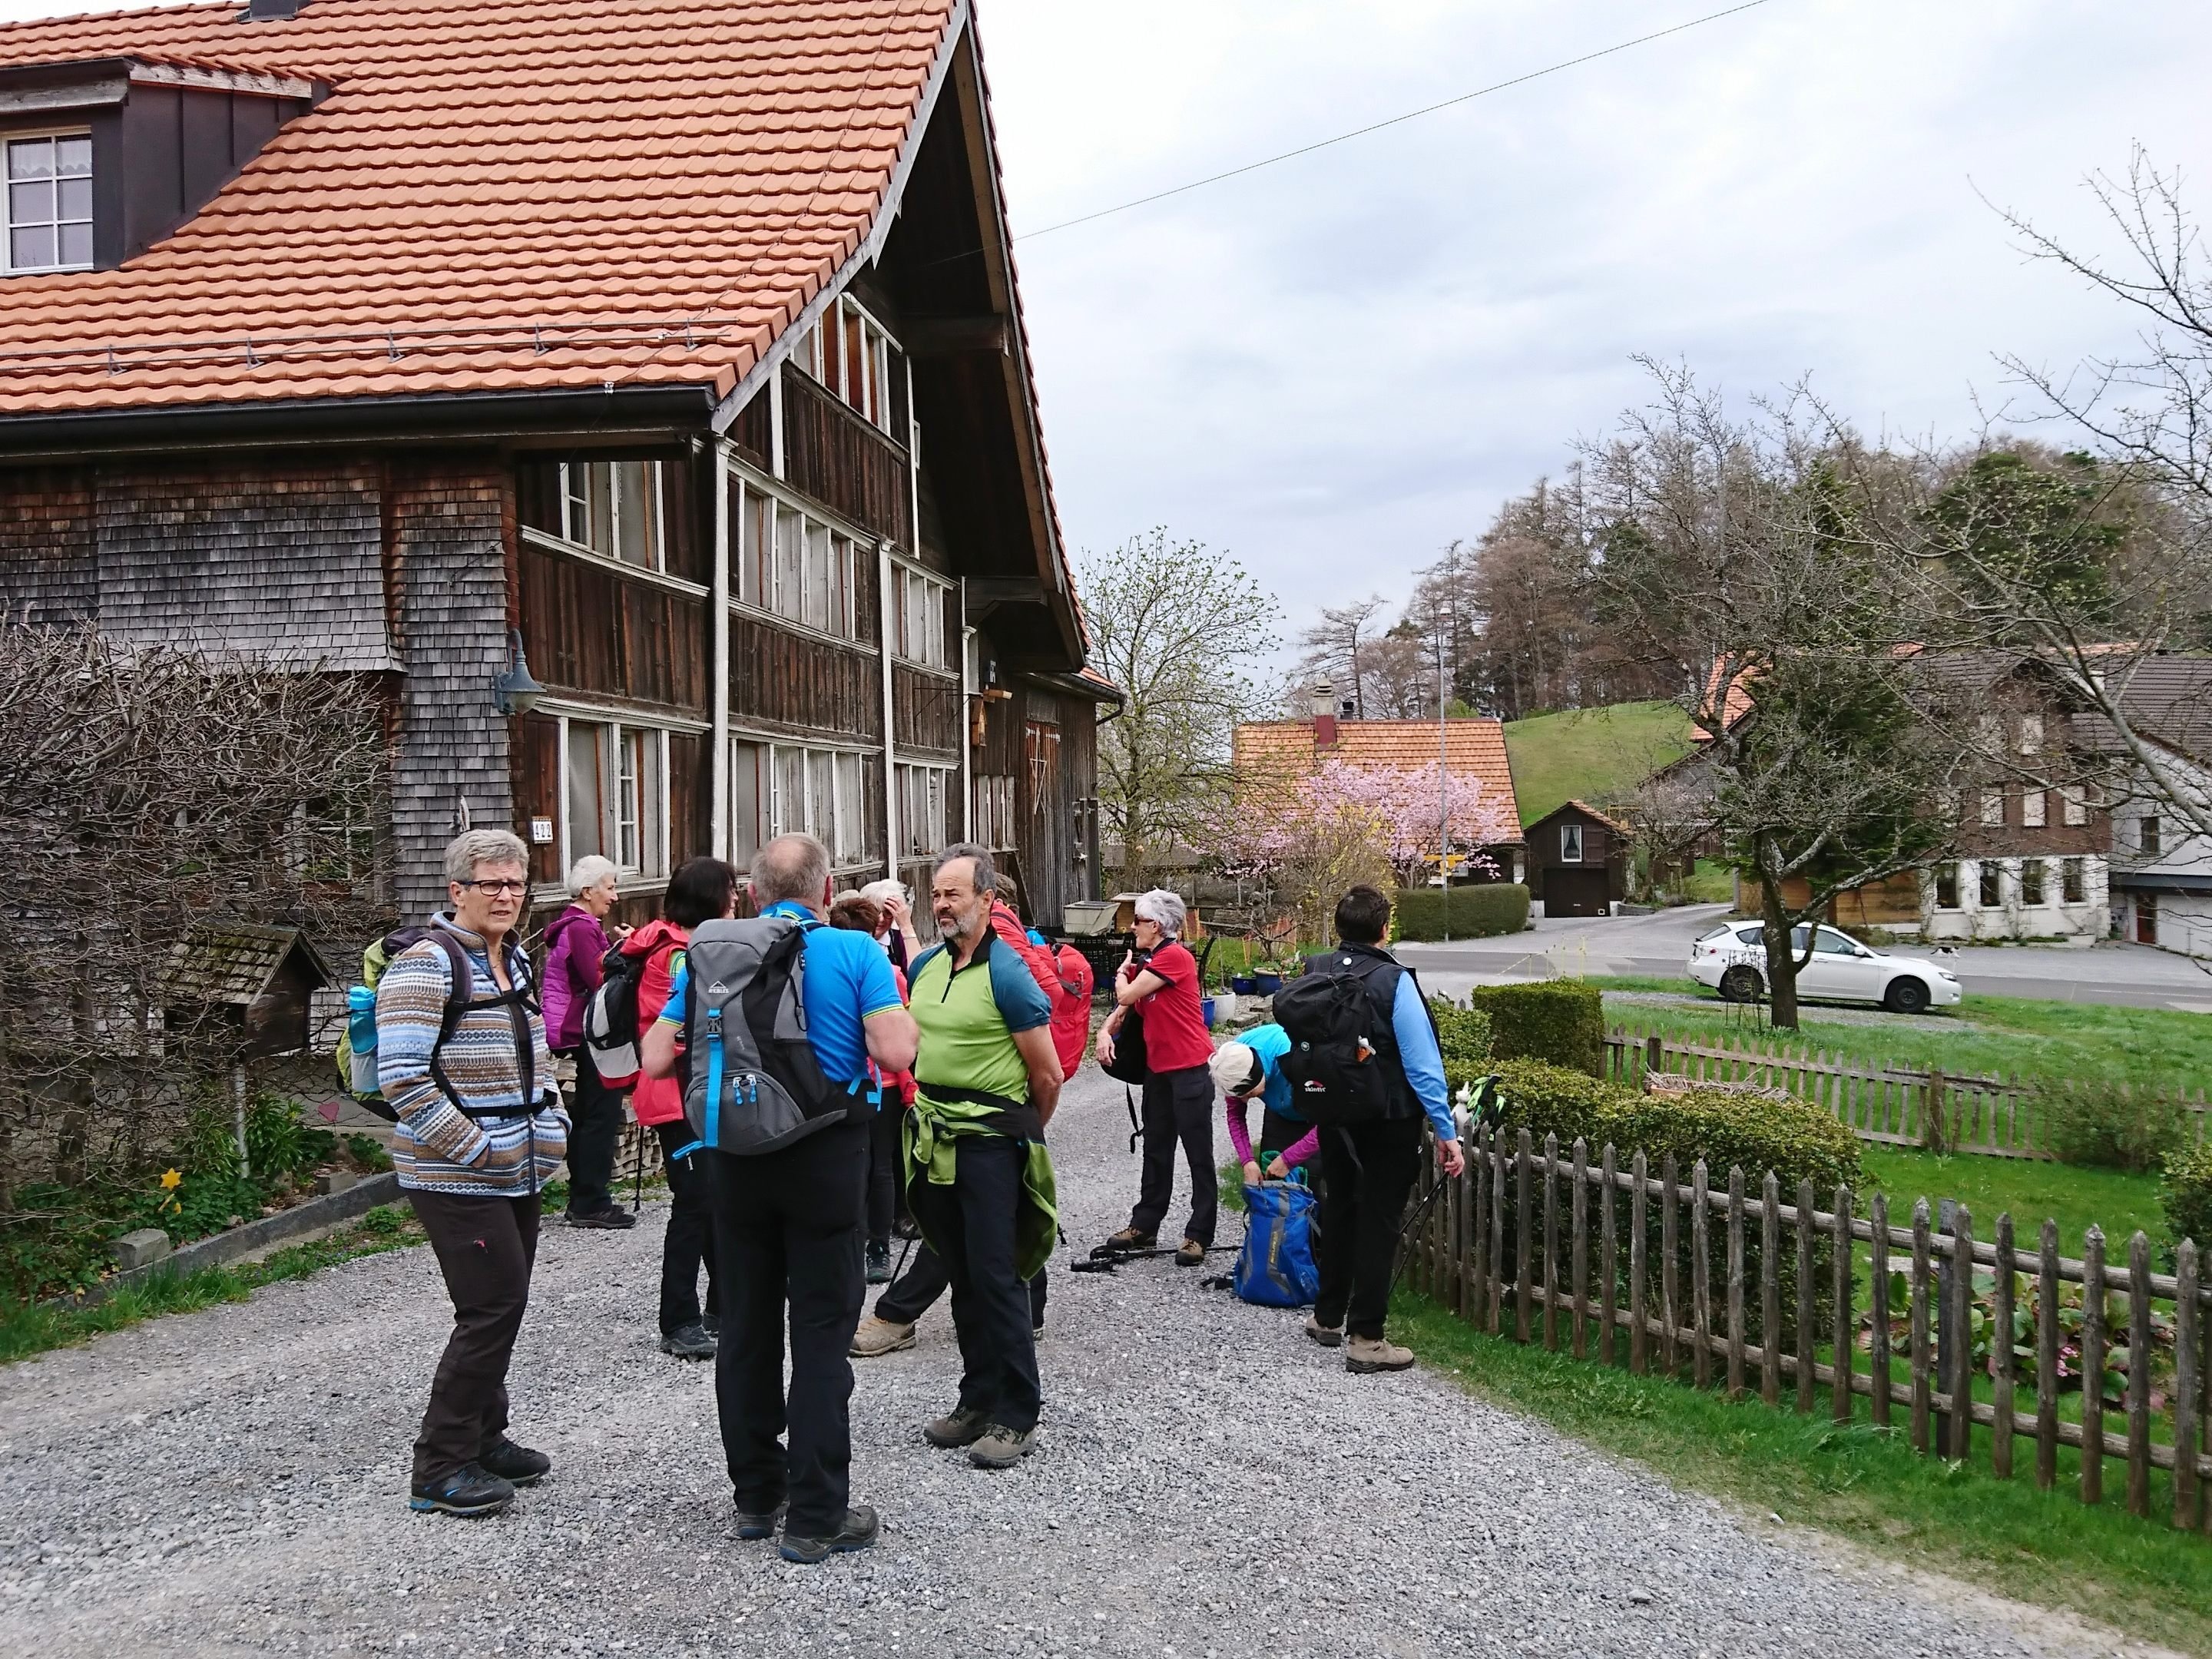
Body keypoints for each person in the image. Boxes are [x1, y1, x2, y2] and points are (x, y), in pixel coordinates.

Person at [641, 834, 917, 1564]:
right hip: (824, 1156)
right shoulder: (854, 951)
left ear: (755, 895)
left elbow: (656, 1054)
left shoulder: (708, 954)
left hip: (732, 1159)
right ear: (826, 891)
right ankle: (819, 1513)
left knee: (746, 1328)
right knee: (822, 1331)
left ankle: (757, 1498)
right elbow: (894, 1053)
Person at [378, 829, 568, 1518]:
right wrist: (479, 1150)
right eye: (491, 884)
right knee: (490, 1309)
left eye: (516, 884)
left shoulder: (512, 960)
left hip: (517, 1170)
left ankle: (486, 1439)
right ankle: (440, 1465)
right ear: (456, 891)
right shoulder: (426, 966)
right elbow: (404, 1078)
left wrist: (553, 1130)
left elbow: (536, 1056)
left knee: (501, 1304)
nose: (507, 895)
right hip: (455, 1176)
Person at [904, 843, 1062, 1469]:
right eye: (937, 894)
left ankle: (1017, 1414)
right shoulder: (925, 969)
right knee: (962, 1271)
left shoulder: (1009, 974)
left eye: (954, 893)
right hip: (936, 1135)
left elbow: (1047, 1075)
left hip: (993, 1141)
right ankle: (976, 1400)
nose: (942, 904)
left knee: (998, 1276)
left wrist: (1018, 1132)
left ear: (988, 901)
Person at [1300, 884, 1465, 1374]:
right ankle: (1367, 1337)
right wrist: (1445, 1131)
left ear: (1339, 928)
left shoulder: (1316, 970)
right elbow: (1422, 1064)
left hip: (1333, 1113)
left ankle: (1327, 1317)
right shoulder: (1394, 981)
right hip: (1388, 1117)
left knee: (1340, 1208)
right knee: (1380, 1220)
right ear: (1384, 928)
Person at [620, 857, 736, 1360]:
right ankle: (680, 1319)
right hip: (677, 1093)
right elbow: (687, 1026)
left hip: (692, 1091)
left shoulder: (681, 945)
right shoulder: (678, 956)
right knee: (694, 1205)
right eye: (731, 891)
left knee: (712, 1200)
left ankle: (722, 1307)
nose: (737, 900)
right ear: (713, 898)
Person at [1094, 890, 1216, 1267]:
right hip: (1158, 1072)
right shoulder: (1151, 963)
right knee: (1156, 1150)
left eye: (1139, 921)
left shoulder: (1175, 958)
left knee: (1199, 1155)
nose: (1133, 928)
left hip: (1191, 1068)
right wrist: (1105, 1030)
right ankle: (1145, 1225)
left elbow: (1128, 994)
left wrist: (1118, 973)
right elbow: (1125, 1009)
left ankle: (1198, 1235)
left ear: (1157, 926)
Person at [540, 854, 635, 1230]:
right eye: (609, 887)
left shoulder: (581, 925)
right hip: (590, 1030)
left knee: (593, 1112)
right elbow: (599, 979)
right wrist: (626, 951)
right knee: (601, 1113)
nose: (614, 896)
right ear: (587, 891)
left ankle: (586, 1196)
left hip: (584, 1029)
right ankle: (591, 1200)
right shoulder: (580, 928)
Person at [827, 891, 912, 1285]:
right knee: (881, 1166)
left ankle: (857, 1243)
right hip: (887, 1080)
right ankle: (877, 1248)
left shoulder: (823, 965)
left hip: (851, 1077)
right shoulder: (889, 970)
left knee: (854, 1166)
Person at [1208, 1025, 1321, 1189]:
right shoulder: (1233, 1064)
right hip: (1280, 1114)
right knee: (1274, 1186)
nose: (1244, 1100)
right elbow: (1235, 1116)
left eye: (1250, 1094)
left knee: (1317, 1186)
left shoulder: (1294, 1058)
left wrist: (1288, 1159)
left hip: (1319, 1114)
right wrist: (1247, 1161)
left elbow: (1331, 1121)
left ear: (1257, 1074)